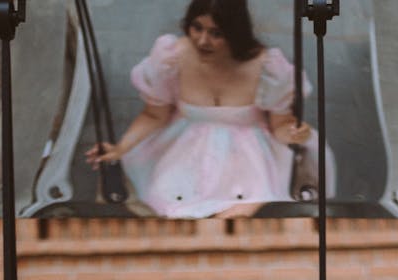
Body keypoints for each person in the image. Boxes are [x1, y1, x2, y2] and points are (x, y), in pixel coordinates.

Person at [86, 0, 333, 218]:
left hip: (247, 158)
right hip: (183, 151)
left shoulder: (266, 66)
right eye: (197, 28)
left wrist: (293, 133)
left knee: (242, 209)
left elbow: (279, 124)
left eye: (216, 33)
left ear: (235, 33)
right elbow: (154, 114)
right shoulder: (172, 56)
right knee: (167, 205)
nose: (203, 41)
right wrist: (121, 148)